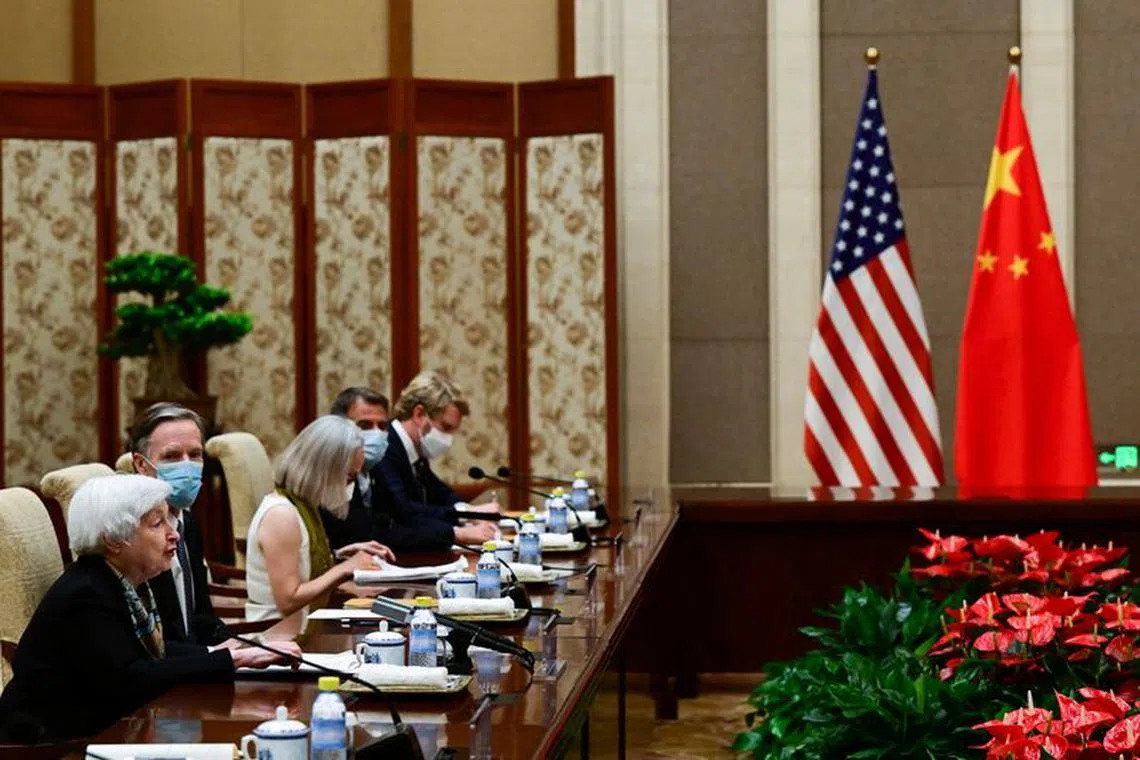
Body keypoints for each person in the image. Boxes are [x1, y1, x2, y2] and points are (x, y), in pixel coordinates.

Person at [0, 476, 297, 743]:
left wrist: (219, 650)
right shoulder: (87, 595)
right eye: (157, 524)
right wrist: (233, 659)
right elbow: (131, 678)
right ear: (113, 540)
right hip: (51, 742)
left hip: (111, 726)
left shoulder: (120, 580)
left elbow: (146, 652)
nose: (174, 533)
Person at [244, 415, 395, 630]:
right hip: (276, 639)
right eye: (349, 478)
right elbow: (288, 600)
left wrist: (339, 555)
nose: (349, 486)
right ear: (324, 469)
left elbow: (300, 561)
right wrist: (344, 569)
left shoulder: (305, 505)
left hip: (306, 629)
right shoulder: (282, 514)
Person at [325, 385, 494, 552]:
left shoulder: (386, 454)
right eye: (364, 425)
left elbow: (436, 493)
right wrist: (456, 532)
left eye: (382, 426)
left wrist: (465, 517)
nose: (377, 434)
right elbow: (400, 515)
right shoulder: (345, 469)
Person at [127, 402, 232, 648]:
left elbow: (201, 616)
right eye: (172, 456)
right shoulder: (132, 535)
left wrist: (245, 647)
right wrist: (220, 658)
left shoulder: (188, 523)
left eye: (195, 455)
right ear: (141, 465)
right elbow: (149, 644)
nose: (187, 466)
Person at [372, 371, 500, 550]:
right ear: (419, 414)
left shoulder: (416, 451)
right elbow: (404, 510)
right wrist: (464, 518)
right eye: (445, 427)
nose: (448, 439)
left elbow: (440, 493)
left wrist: (470, 513)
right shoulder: (385, 446)